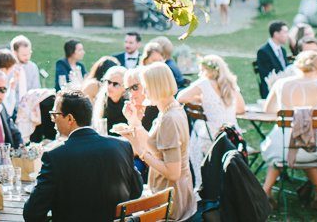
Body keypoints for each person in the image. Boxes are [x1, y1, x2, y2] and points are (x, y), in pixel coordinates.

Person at [23, 90, 142, 222]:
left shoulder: (55, 157)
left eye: (55, 115)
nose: (53, 120)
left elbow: (32, 213)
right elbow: (137, 191)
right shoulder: (122, 146)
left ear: (69, 118)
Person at [118, 62, 197, 221]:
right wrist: (135, 123)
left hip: (170, 200)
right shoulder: (170, 109)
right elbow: (158, 148)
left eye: (145, 87)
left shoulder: (169, 118)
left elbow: (173, 173)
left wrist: (142, 153)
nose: (143, 92)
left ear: (156, 86)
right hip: (167, 193)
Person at [259, 50, 317, 209]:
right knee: (304, 147)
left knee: (282, 149)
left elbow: (268, 110)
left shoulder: (281, 84)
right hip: (313, 146)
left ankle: (266, 189)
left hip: (282, 147)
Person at [177, 55, 245, 189]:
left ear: (207, 70)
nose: (200, 73)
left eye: (201, 70)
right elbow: (241, 108)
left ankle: (200, 183)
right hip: (233, 137)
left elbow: (181, 97)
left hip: (213, 138)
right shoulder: (230, 84)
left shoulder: (204, 83)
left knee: (196, 130)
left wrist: (200, 99)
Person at [256, 21, 290, 98]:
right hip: (272, 89)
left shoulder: (282, 50)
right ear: (276, 34)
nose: (287, 35)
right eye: (285, 32)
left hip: (284, 86)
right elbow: (267, 75)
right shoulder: (263, 52)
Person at [91, 65, 128, 134]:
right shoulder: (102, 101)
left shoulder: (128, 104)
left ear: (125, 87)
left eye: (115, 84)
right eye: (108, 82)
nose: (110, 87)